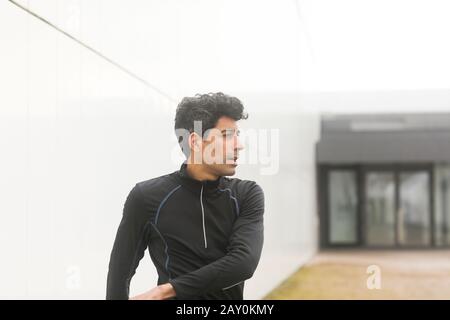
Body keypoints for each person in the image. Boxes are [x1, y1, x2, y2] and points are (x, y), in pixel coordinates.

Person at [106, 92, 265, 300]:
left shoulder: (246, 194)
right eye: (227, 135)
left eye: (237, 135)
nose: (239, 145)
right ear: (195, 141)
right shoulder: (146, 197)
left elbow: (243, 263)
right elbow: (120, 272)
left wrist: (164, 290)